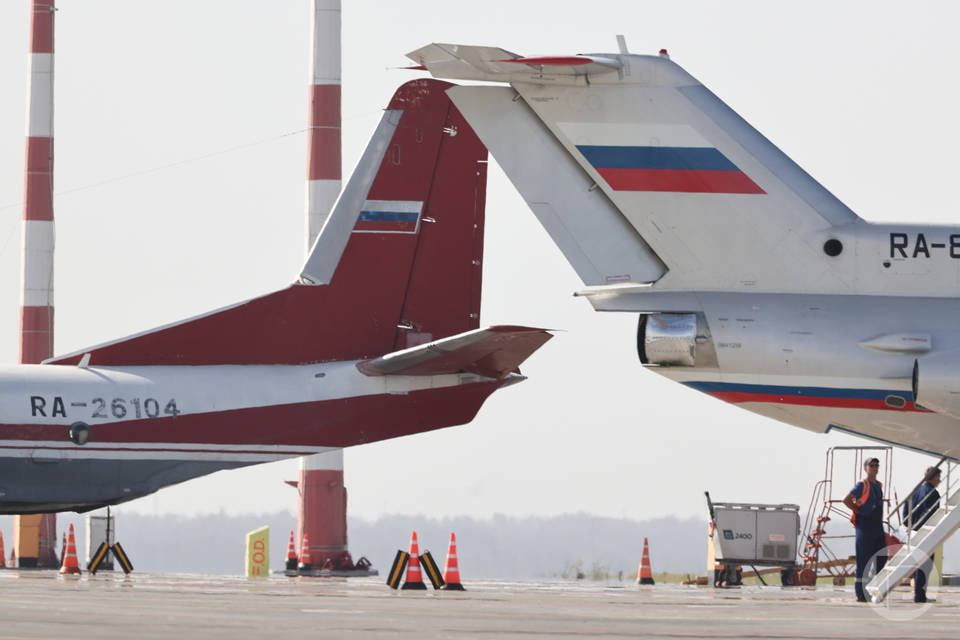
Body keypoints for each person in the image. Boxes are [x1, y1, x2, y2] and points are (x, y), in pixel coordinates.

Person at [843, 457, 886, 602]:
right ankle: (861, 593)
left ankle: (874, 587)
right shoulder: (862, 485)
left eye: (876, 465)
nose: (874, 468)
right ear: (866, 468)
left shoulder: (878, 485)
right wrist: (858, 511)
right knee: (864, 561)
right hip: (865, 527)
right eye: (871, 465)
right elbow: (846, 499)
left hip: (877, 527)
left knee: (881, 558)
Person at [903, 466, 941, 603]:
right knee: (925, 565)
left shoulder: (916, 491)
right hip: (926, 533)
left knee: (920, 563)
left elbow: (905, 511)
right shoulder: (933, 493)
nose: (940, 480)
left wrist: (908, 525)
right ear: (934, 478)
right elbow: (933, 515)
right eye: (938, 477)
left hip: (913, 531)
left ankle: (919, 594)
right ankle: (920, 595)